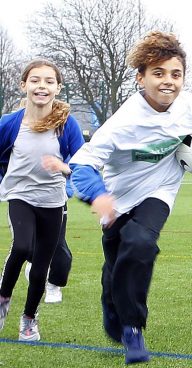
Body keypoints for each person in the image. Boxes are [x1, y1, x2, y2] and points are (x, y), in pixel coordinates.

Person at [69, 31, 192, 364]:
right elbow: (81, 165)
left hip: (160, 192)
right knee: (117, 265)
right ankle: (113, 303)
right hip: (117, 200)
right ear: (140, 77)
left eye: (176, 74)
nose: (168, 81)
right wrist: (97, 196)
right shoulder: (122, 123)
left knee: (141, 243)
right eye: (158, 73)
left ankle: (133, 328)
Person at [0, 59, 84, 341]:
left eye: (49, 81)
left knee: (40, 270)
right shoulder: (9, 123)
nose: (42, 86)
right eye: (35, 80)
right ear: (24, 85)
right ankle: (2, 302)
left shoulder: (66, 125)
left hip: (52, 200)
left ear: (58, 88)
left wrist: (64, 167)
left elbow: (84, 163)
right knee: (22, 246)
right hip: (20, 195)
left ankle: (29, 320)